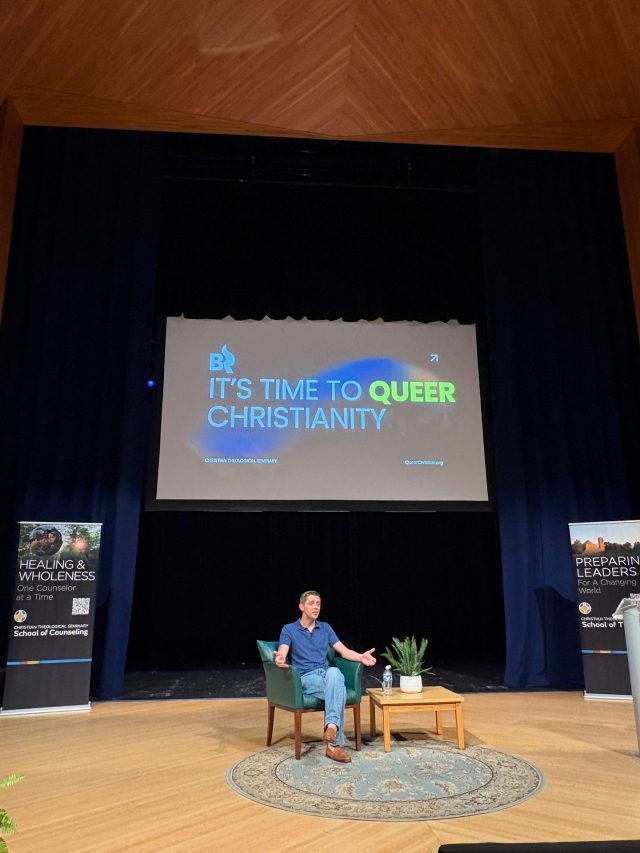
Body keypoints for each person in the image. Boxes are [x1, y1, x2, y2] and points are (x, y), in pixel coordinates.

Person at [275, 589, 376, 763]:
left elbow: (344, 651)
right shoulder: (289, 629)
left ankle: (331, 728)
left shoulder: (325, 628)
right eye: (311, 603)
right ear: (301, 606)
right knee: (339, 689)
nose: (316, 607)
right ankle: (333, 745)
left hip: (326, 675)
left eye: (318, 604)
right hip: (306, 677)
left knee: (335, 672)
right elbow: (283, 651)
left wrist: (361, 657)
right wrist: (280, 658)